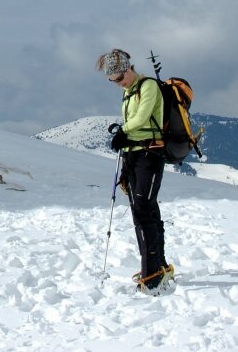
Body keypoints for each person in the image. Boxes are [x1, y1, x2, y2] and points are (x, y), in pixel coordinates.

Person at [97, 47, 173, 293]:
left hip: (150, 154)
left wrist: (123, 131)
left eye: (120, 77)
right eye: (113, 81)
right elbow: (135, 123)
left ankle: (152, 274)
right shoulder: (128, 91)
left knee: (143, 210)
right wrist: (124, 137)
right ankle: (158, 265)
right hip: (133, 155)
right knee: (144, 209)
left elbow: (142, 118)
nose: (118, 83)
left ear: (128, 68)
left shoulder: (148, 86)